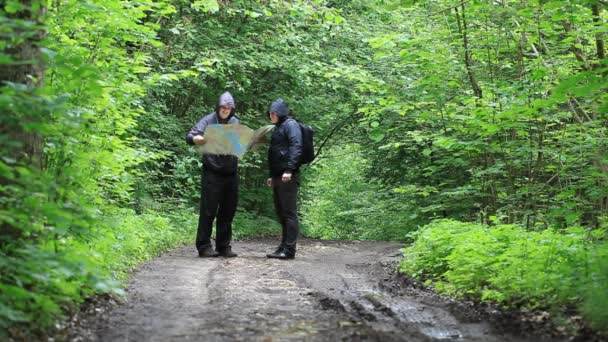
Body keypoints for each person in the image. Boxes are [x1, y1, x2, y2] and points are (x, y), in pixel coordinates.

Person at [186, 91, 239, 258]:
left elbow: (240, 143)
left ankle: (223, 246)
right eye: (223, 107)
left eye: (228, 108)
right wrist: (197, 139)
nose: (225, 110)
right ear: (218, 107)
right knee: (208, 210)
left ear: (232, 109)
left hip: (231, 172)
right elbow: (190, 135)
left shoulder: (235, 121)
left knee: (228, 211)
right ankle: (204, 246)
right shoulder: (208, 120)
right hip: (212, 172)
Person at [266, 99, 303, 260]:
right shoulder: (279, 127)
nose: (271, 115)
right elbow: (278, 152)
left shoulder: (291, 125)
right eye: (270, 113)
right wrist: (273, 176)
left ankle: (289, 250)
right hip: (279, 176)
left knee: (288, 213)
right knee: (281, 212)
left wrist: (289, 170)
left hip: (288, 176)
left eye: (274, 113)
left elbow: (296, 146)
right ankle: (283, 247)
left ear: (280, 113)